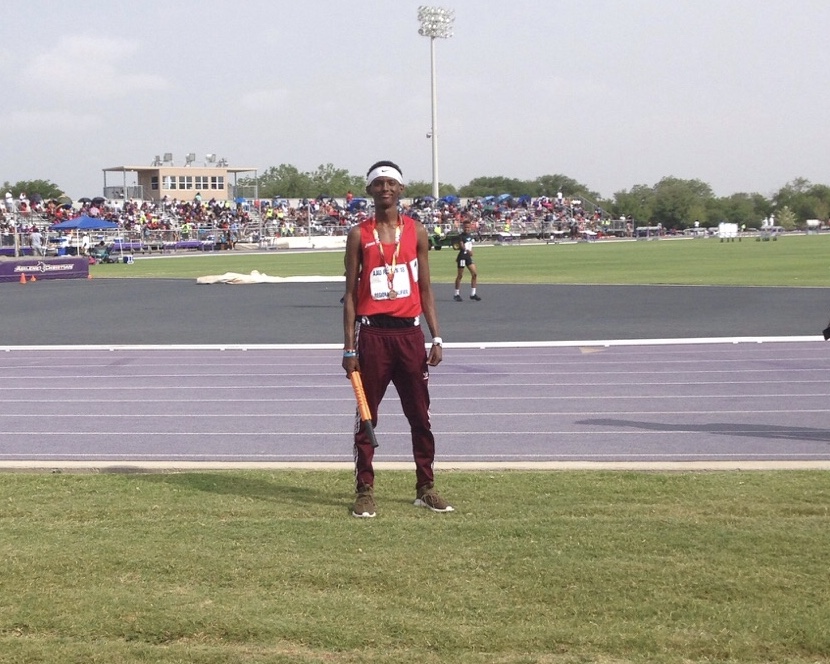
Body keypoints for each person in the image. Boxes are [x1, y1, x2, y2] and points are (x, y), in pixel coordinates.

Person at [342, 160, 453, 518]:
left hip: (409, 334)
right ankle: (365, 489)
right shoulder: (359, 234)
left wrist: (436, 336)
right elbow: (351, 293)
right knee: (367, 417)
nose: (385, 189)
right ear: (370, 190)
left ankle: (425, 486)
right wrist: (349, 347)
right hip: (372, 334)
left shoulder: (417, 231)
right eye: (378, 184)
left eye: (391, 183)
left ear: (401, 189)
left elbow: (425, 288)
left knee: (420, 416)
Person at [453, 219, 481, 301]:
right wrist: (467, 250)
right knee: (460, 275)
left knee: (474, 274)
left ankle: (473, 293)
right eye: (465, 227)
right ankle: (456, 294)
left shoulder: (470, 236)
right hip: (462, 256)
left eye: (468, 227)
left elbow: (470, 245)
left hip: (468, 257)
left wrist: (471, 251)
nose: (467, 229)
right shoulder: (461, 236)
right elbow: (462, 246)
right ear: (463, 227)